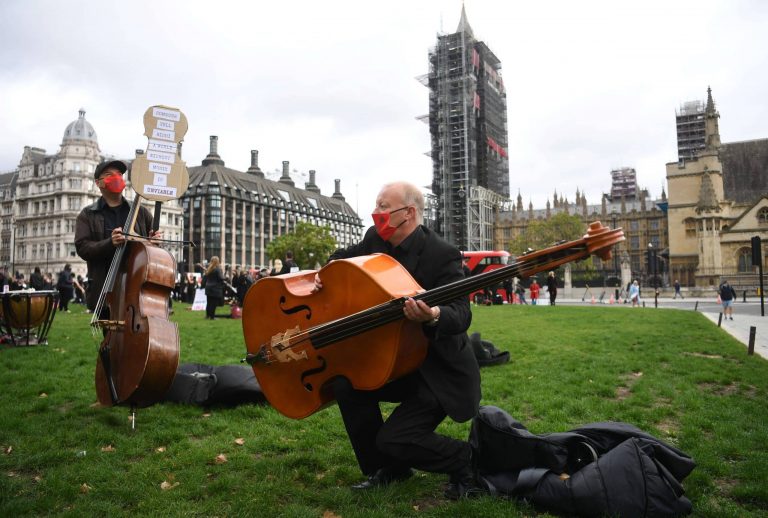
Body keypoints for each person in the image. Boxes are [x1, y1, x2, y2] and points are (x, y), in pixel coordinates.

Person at [314, 181, 482, 499]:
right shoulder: (374, 239)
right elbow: (343, 259)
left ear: (408, 213)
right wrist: (325, 274)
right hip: (396, 362)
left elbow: (461, 315)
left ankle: (467, 461)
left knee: (395, 439)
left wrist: (432, 314)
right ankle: (388, 469)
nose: (375, 213)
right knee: (346, 384)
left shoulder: (442, 254)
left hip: (438, 371)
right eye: (376, 205)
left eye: (382, 206)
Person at [75, 160, 158, 317]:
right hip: (106, 289)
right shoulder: (87, 215)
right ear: (98, 183)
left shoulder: (141, 212)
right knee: (112, 338)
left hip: (138, 285)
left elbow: (154, 247)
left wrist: (154, 243)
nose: (116, 178)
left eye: (119, 175)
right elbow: (82, 247)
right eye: (109, 175)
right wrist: (109, 243)